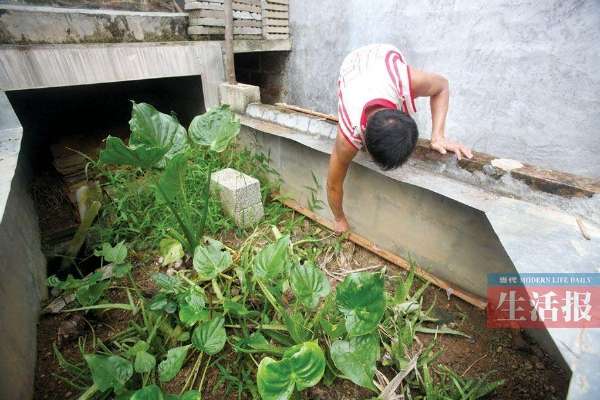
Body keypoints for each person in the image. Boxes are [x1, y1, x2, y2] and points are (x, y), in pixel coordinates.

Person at [327, 44, 473, 233]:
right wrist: (339, 219)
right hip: (352, 66)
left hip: (384, 56)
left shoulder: (407, 81)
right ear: (365, 146)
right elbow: (333, 183)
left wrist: (438, 135)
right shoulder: (348, 137)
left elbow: (442, 86)